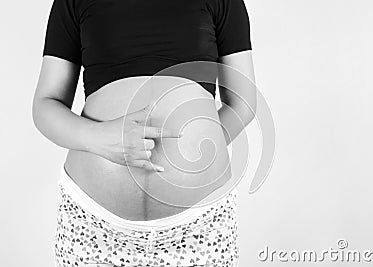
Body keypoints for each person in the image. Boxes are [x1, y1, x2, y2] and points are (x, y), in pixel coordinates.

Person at [33, 0, 257, 266]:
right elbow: (45, 105)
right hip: (93, 226)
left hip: (200, 227)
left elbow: (243, 102)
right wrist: (99, 139)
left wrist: (195, 152)